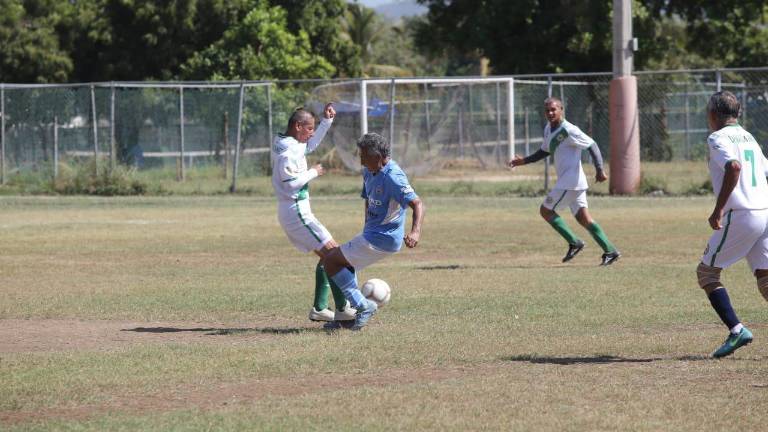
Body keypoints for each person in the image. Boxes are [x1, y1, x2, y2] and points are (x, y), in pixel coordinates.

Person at [322, 132, 425, 330]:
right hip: (372, 233)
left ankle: (362, 306)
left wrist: (415, 232)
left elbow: (417, 204)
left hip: (384, 238)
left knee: (330, 260)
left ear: (377, 157)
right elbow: (368, 198)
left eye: (363, 156)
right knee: (344, 267)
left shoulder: (394, 177)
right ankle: (347, 318)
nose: (360, 161)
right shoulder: (369, 171)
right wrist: (366, 224)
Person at [696, 90, 768, 358]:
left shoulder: (717, 137)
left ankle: (737, 330)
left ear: (713, 115)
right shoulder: (748, 137)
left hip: (741, 214)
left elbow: (734, 167)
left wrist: (719, 209)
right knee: (765, 279)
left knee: (707, 274)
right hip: (764, 211)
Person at [508, 97, 620, 266]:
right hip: (571, 182)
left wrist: (599, 169)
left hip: (571, 181)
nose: (550, 113)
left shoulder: (569, 130)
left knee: (545, 211)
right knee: (584, 219)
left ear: (561, 109)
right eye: (547, 110)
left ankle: (575, 243)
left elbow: (592, 145)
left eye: (554, 109)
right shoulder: (549, 128)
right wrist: (524, 161)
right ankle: (610, 251)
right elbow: (545, 151)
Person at [271, 103, 356, 323]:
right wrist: (313, 172)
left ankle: (321, 308)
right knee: (335, 255)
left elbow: (310, 145)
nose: (311, 134)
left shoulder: (291, 143)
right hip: (296, 211)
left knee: (330, 256)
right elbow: (290, 185)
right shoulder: (288, 152)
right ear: (298, 126)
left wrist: (326, 122)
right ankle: (344, 308)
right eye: (309, 129)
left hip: (296, 210)